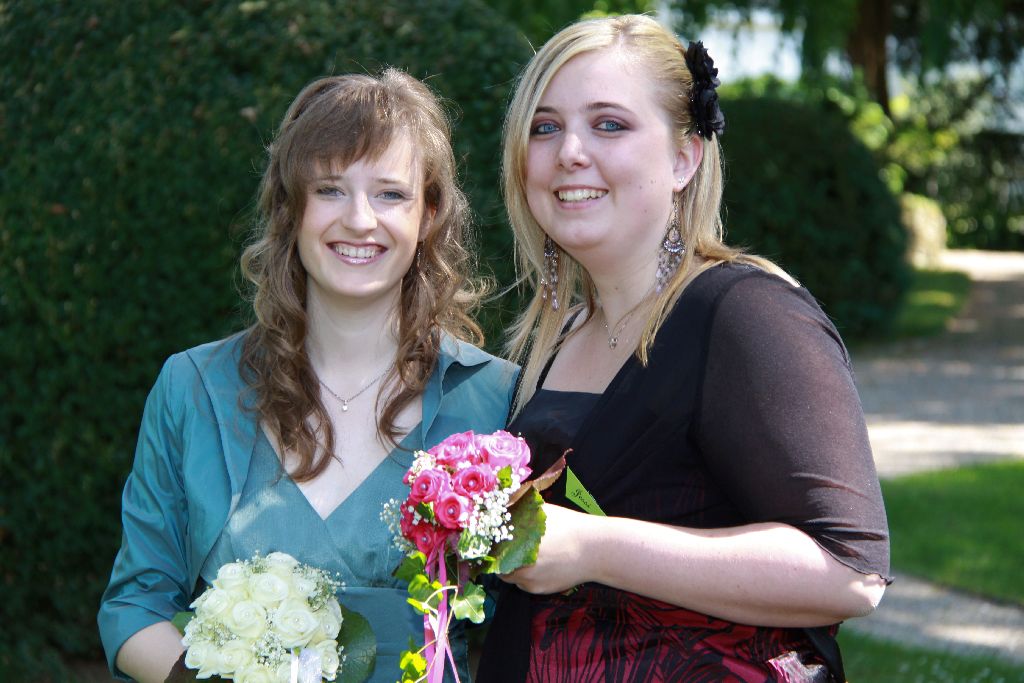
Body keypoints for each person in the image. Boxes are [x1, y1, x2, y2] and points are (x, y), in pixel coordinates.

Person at [477, 14, 890, 683]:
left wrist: (595, 548)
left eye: (609, 124)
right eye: (544, 127)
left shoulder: (745, 314)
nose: (569, 151)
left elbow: (849, 572)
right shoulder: (558, 334)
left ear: (684, 157)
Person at [98, 69, 516, 683]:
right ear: (291, 208)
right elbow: (134, 605)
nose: (360, 219)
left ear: (428, 214)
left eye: (390, 194)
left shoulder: (498, 401)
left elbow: (540, 626)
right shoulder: (192, 390)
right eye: (330, 189)